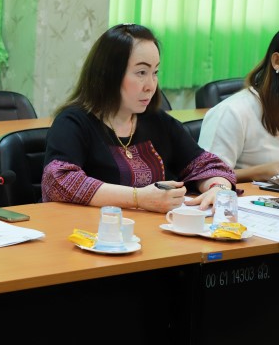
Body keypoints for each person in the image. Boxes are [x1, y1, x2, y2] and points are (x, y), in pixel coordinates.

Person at [42, 23, 237, 213]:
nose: (151, 85)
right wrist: (140, 198)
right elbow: (58, 181)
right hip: (93, 230)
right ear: (109, 75)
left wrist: (218, 188)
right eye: (141, 73)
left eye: (155, 72)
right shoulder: (72, 123)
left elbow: (208, 166)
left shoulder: (157, 121)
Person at [198, 31, 279, 183]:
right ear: (277, 61)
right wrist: (262, 172)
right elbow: (205, 175)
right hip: (241, 197)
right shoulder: (232, 111)